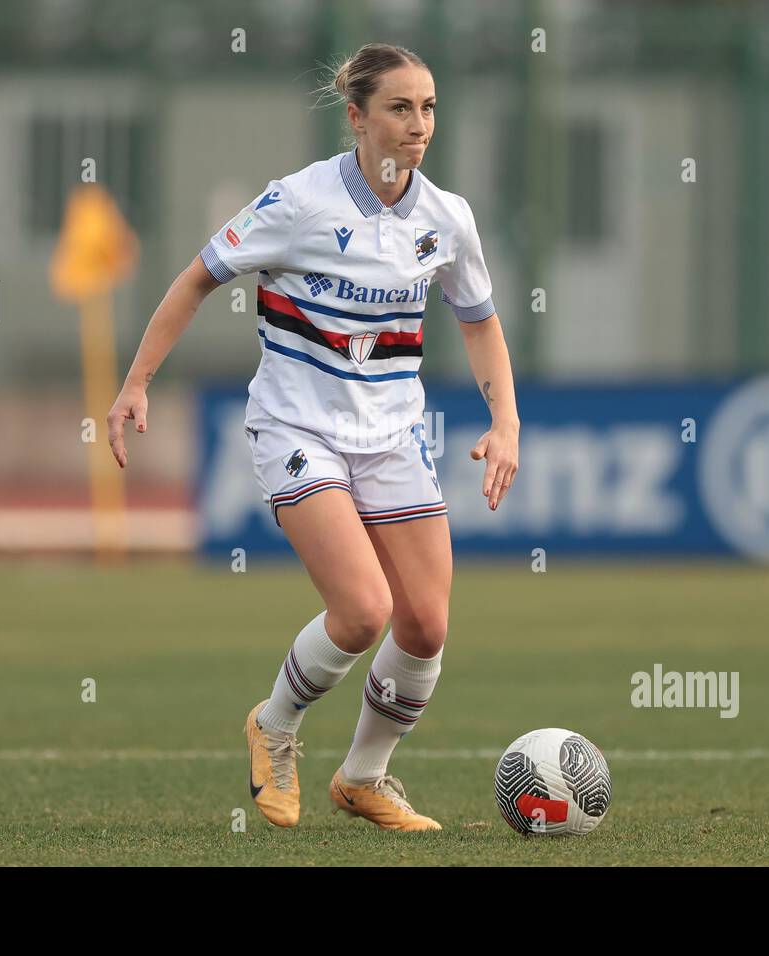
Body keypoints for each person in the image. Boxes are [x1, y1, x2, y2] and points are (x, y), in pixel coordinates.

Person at [106, 42, 519, 831]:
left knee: (425, 625)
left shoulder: (447, 218)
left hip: (395, 436)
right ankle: (275, 725)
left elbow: (481, 322)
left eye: (429, 107)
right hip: (297, 428)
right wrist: (136, 382)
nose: (419, 125)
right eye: (400, 108)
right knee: (363, 611)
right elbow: (197, 277)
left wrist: (506, 422)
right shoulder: (296, 202)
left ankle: (364, 777)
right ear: (356, 117)